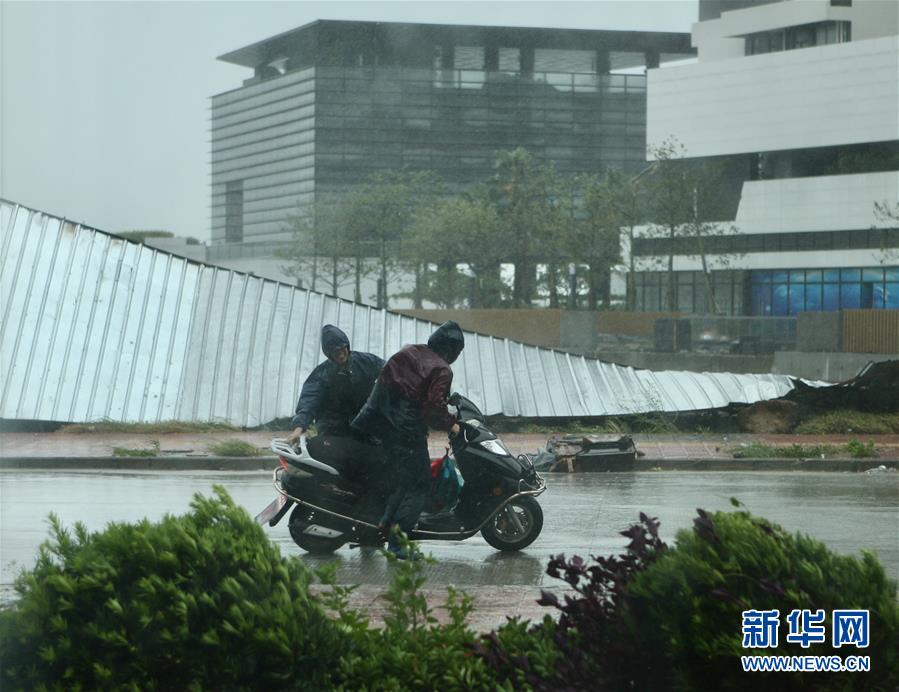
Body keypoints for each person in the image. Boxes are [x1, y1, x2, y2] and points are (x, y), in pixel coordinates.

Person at [351, 320, 464, 559]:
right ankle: (398, 545)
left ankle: (384, 524)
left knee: (401, 482)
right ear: (454, 350)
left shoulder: (409, 351)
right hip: (406, 432)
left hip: (378, 426)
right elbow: (433, 407)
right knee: (418, 485)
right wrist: (451, 424)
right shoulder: (442, 369)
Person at [287, 325, 384, 445]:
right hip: (334, 431)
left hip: (363, 426)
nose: (341, 354)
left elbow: (391, 371)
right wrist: (298, 429)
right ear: (329, 354)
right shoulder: (322, 374)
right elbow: (308, 402)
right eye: (335, 352)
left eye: (342, 349)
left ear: (347, 346)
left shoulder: (366, 361)